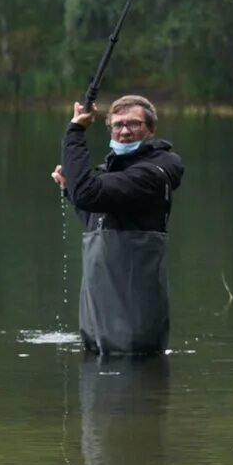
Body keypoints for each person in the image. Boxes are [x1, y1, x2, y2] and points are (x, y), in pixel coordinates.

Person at [52, 94, 186, 356]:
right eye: (118, 124)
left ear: (150, 130)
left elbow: (90, 194)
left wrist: (76, 131)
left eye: (133, 124)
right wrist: (71, 190)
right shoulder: (114, 175)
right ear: (110, 130)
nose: (124, 131)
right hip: (99, 325)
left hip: (133, 328)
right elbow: (99, 220)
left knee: (130, 380)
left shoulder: (151, 174)